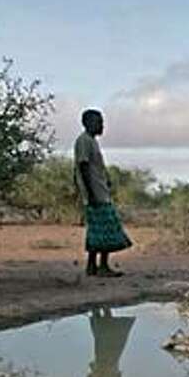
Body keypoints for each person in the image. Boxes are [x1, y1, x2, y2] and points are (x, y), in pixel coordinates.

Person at [74, 109, 132, 277]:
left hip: (99, 191)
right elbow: (83, 166)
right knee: (105, 230)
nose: (102, 126)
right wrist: (91, 193)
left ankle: (92, 266)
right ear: (88, 123)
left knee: (97, 231)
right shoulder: (84, 141)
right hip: (96, 194)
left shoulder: (91, 141)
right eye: (99, 122)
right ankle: (102, 266)